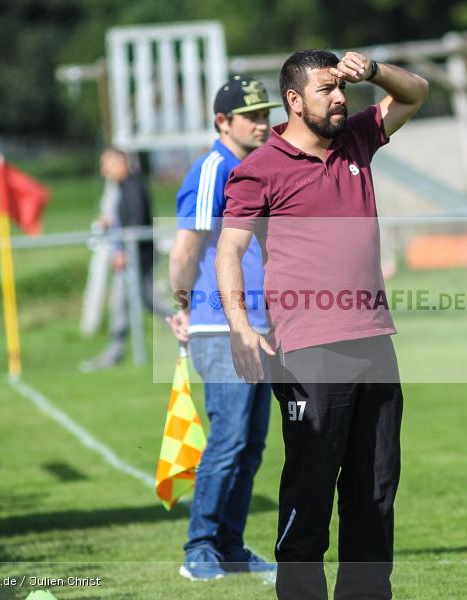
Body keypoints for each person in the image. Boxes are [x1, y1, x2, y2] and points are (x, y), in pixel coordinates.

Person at [216, 50, 428, 599]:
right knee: (310, 493)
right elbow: (229, 251)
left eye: (342, 88)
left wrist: (375, 70)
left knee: (376, 490)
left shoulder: (357, 138)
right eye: (326, 90)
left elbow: (416, 93)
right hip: (310, 352)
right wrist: (241, 326)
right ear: (293, 100)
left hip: (375, 341)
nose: (339, 98)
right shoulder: (260, 167)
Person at [168, 76, 280, 581]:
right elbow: (185, 249)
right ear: (222, 122)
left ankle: (231, 547)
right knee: (230, 438)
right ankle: (200, 548)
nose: (262, 122)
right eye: (251, 115)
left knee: (252, 442)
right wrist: (185, 306)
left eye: (265, 113)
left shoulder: (254, 165)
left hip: (261, 327)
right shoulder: (213, 168)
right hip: (221, 326)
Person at [80, 148, 171, 371]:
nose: (104, 170)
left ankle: (115, 353)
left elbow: (136, 223)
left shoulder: (133, 187)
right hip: (135, 258)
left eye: (107, 164)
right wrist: (110, 222)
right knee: (147, 301)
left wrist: (123, 253)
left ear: (121, 163)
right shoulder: (124, 187)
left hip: (138, 258)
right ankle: (189, 334)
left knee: (126, 303)